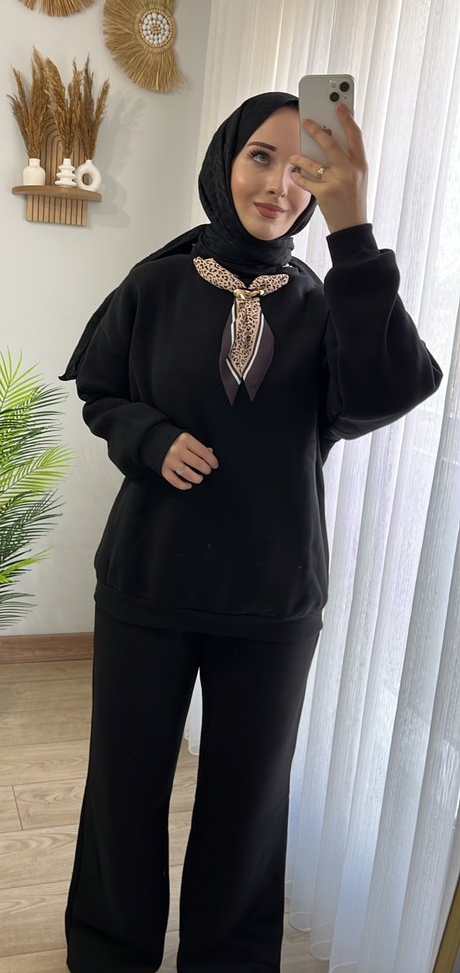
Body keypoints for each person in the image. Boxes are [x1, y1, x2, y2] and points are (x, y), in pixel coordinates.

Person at [60, 92, 442, 973]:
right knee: (124, 785)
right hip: (149, 580)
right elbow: (100, 390)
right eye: (260, 157)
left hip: (271, 596)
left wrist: (353, 229)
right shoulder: (155, 284)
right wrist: (149, 438)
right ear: (224, 162)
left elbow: (387, 389)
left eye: (302, 167)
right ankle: (109, 953)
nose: (278, 183)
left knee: (248, 804)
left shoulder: (327, 302)